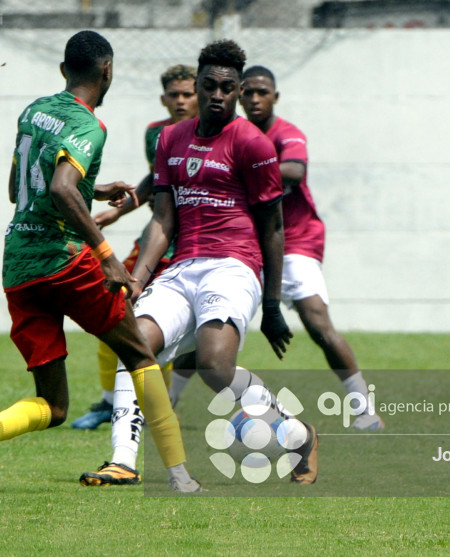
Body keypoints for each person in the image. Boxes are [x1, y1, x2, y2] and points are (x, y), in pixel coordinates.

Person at [0, 30, 200, 493]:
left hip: (19, 266)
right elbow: (63, 188)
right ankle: (178, 473)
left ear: (64, 71)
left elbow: (18, 188)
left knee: (55, 406)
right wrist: (106, 256)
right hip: (66, 260)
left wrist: (93, 188)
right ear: (108, 71)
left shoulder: (33, 111)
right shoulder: (89, 126)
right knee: (140, 354)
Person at [80, 39, 319, 487]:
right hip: (182, 266)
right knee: (133, 345)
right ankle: (123, 460)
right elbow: (163, 220)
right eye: (208, 85)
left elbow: (273, 227)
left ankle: (297, 432)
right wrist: (136, 278)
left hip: (234, 265)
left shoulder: (253, 142)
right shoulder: (171, 138)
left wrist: (270, 305)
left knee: (213, 366)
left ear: (237, 90)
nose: (216, 95)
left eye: (227, 88)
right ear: (199, 83)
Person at [170, 63, 379, 430]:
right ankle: (167, 402)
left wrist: (242, 168)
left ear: (275, 97)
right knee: (206, 324)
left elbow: (295, 170)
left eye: (261, 92)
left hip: (294, 240)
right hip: (245, 246)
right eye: (248, 91)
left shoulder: (284, 134)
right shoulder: (230, 134)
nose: (254, 99)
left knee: (317, 322)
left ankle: (363, 407)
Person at [71, 64, 198, 434]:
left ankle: (163, 405)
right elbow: (154, 181)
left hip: (193, 246)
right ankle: (110, 404)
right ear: (163, 98)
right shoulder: (156, 134)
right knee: (110, 305)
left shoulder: (220, 133)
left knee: (173, 327)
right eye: (173, 95)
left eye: (187, 94)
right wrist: (116, 212)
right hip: (153, 241)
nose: (180, 101)